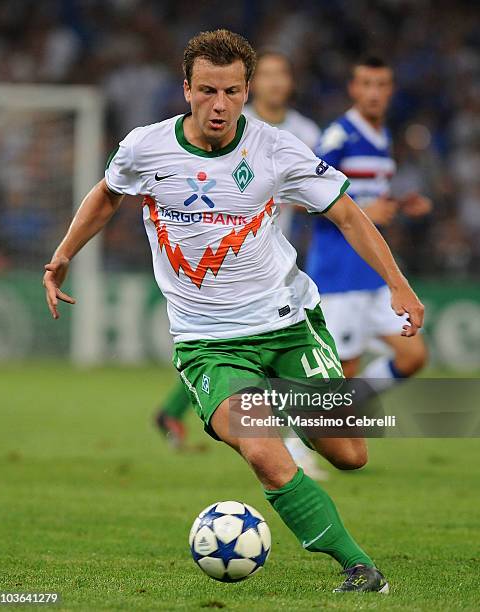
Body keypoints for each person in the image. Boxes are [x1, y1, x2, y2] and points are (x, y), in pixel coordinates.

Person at [43, 30, 425, 593]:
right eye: (205, 91)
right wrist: (63, 254)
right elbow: (107, 194)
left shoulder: (277, 148)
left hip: (288, 326)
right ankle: (360, 569)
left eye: (230, 91)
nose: (218, 105)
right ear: (186, 89)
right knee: (265, 456)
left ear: (246, 91)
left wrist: (397, 283)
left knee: (350, 454)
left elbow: (347, 215)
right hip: (208, 343)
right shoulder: (146, 147)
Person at [155, 49, 327, 480]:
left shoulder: (302, 131)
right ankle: (288, 444)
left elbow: (317, 193)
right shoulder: (228, 120)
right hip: (217, 262)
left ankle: (171, 412)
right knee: (231, 348)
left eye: (279, 74)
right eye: (266, 75)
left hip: (271, 254)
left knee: (244, 348)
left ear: (287, 82)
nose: (273, 83)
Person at [307, 56, 430, 386]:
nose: (374, 93)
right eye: (366, 84)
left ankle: (349, 414)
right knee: (341, 374)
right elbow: (304, 193)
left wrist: (399, 205)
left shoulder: (382, 137)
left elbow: (365, 196)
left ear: (391, 90)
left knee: (413, 355)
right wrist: (364, 212)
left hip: (372, 273)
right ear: (353, 89)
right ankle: (297, 440)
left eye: (381, 85)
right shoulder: (339, 136)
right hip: (340, 273)